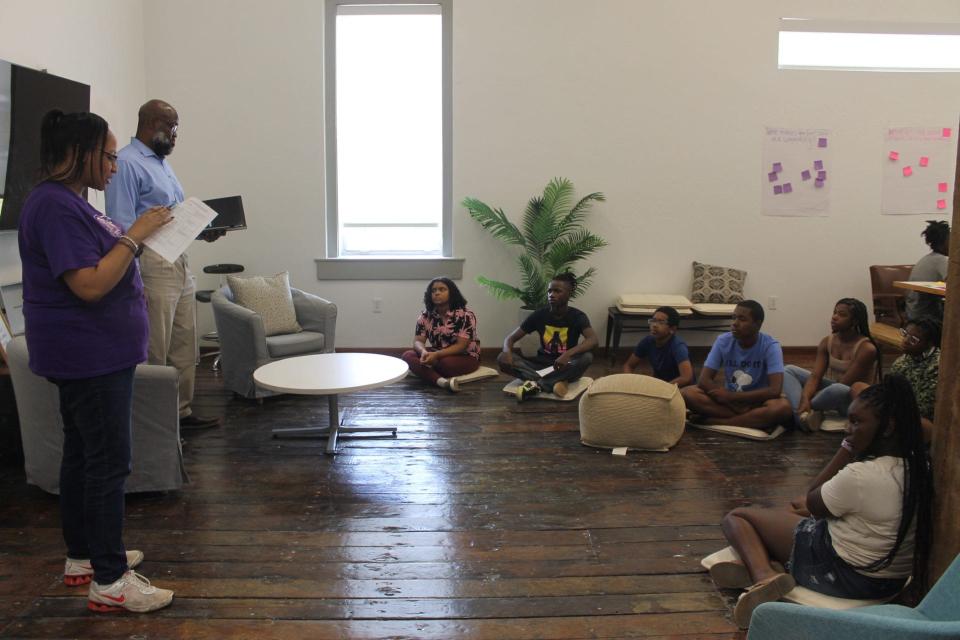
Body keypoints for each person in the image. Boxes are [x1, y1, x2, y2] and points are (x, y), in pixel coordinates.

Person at [18, 110, 175, 612]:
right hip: (89, 355)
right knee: (108, 462)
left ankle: (84, 555)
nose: (113, 167)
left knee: (84, 457)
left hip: (96, 353)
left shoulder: (69, 204)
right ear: (78, 153)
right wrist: (136, 233)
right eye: (107, 156)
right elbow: (88, 284)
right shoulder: (56, 207)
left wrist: (137, 236)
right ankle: (110, 580)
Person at [715, 374, 933, 629]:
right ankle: (770, 562)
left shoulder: (862, 476)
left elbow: (812, 497)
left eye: (855, 422)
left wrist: (847, 448)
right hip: (889, 581)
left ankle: (764, 577)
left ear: (887, 427)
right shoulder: (920, 467)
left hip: (843, 576)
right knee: (794, 512)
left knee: (738, 517)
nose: (847, 428)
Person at [105, 99, 220, 430]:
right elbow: (122, 223)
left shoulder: (161, 164)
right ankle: (155, 424)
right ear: (152, 123)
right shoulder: (126, 163)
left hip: (179, 257)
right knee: (156, 345)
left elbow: (171, 214)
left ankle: (181, 414)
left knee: (184, 344)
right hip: (153, 262)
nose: (175, 134)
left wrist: (200, 232)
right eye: (172, 127)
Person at [681, 300, 792, 431]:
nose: (734, 323)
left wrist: (732, 397)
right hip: (729, 403)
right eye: (734, 318)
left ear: (757, 324)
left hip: (758, 402)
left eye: (742, 319)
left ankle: (716, 422)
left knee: (782, 408)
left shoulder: (771, 346)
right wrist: (729, 400)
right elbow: (704, 380)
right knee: (687, 393)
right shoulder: (723, 341)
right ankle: (750, 420)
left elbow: (775, 390)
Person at [497, 273, 598, 401]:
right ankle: (556, 382)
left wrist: (568, 354)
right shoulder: (539, 315)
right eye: (549, 291)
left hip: (565, 365)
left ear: (569, 294)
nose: (551, 294)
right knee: (501, 357)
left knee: (587, 357)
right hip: (540, 366)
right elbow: (510, 339)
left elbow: (593, 339)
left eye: (557, 291)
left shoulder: (578, 316)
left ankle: (538, 385)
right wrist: (507, 352)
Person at [782, 298, 879, 430]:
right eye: (835, 312)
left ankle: (799, 412)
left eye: (842, 315)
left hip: (851, 399)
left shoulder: (867, 349)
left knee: (838, 388)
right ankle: (802, 413)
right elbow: (815, 376)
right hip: (830, 394)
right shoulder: (827, 341)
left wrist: (811, 396)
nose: (834, 317)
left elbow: (845, 384)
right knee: (788, 370)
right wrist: (805, 397)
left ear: (855, 321)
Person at [853, 316, 941, 442]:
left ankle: (873, 432)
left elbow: (924, 408)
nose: (905, 341)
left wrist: (891, 408)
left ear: (929, 344)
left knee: (922, 425)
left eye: (913, 340)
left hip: (915, 416)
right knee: (858, 388)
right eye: (905, 334)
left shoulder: (938, 364)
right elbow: (886, 389)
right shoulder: (903, 360)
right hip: (894, 408)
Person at [401, 278, 480, 392]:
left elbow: (461, 346)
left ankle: (428, 373)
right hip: (436, 353)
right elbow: (418, 341)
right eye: (433, 291)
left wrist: (436, 355)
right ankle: (442, 382)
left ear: (451, 293)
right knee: (407, 356)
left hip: (465, 356)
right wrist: (424, 352)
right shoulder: (425, 316)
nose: (437, 293)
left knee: (444, 365)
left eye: (442, 289)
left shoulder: (466, 315)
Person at [621, 306, 694, 387]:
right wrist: (629, 383)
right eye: (653, 321)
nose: (654, 325)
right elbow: (628, 365)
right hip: (659, 384)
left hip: (680, 389)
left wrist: (662, 390)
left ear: (672, 329)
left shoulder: (678, 347)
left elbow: (686, 377)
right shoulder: (648, 341)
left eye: (661, 322)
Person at [905, 219, 949, 322]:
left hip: (912, 311)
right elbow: (954, 285)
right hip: (926, 315)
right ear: (943, 243)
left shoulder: (926, 259)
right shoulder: (942, 260)